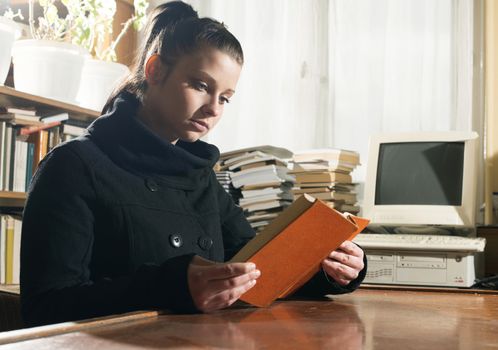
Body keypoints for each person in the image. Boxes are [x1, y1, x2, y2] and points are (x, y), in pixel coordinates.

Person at [20, 1, 366, 327]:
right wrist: (171, 286)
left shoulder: (200, 175)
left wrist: (324, 267)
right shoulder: (73, 166)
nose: (214, 109)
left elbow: (256, 268)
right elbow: (45, 307)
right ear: (154, 70)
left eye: (226, 98)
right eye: (201, 85)